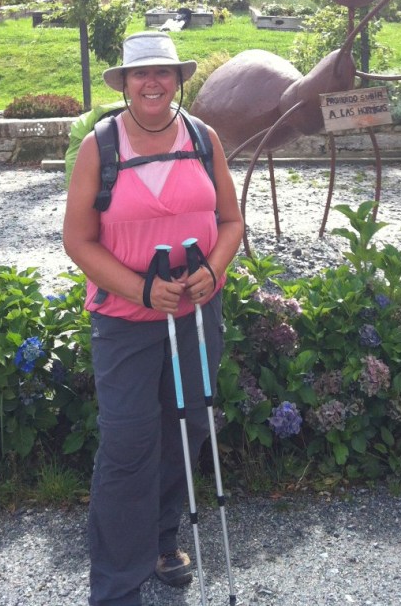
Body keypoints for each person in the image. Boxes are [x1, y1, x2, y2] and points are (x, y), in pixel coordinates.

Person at [63, 31, 244, 606]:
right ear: (123, 82)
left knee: (186, 427)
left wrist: (212, 273)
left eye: (163, 73)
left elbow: (231, 222)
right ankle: (117, 584)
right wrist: (143, 290)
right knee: (128, 442)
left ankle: (165, 541)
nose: (152, 83)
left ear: (177, 79)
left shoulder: (202, 138)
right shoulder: (101, 146)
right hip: (123, 320)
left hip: (195, 316)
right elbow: (78, 239)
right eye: (141, 74)